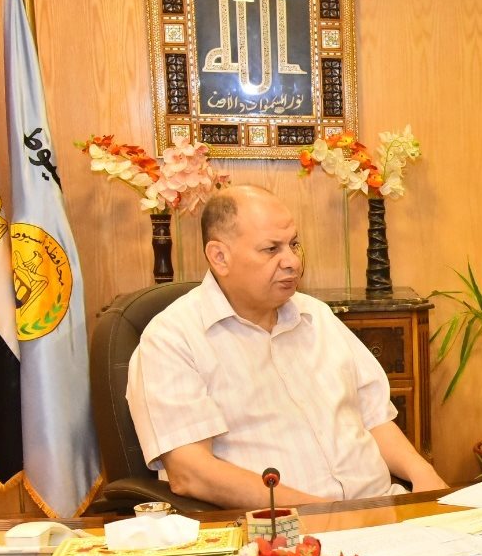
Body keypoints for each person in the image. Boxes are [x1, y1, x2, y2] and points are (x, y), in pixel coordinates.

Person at [128, 185, 446, 508]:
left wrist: (424, 476)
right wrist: (327, 514)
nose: (293, 261)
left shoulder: (317, 316)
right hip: (282, 529)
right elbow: (190, 473)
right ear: (220, 257)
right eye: (271, 249)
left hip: (383, 512)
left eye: (293, 244)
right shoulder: (172, 339)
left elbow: (374, 416)